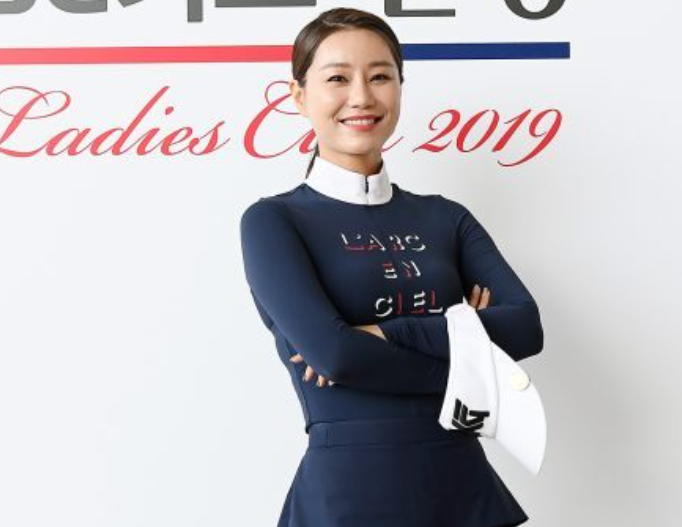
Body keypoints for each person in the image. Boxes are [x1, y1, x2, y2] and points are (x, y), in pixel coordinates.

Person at [239, 7, 544, 527]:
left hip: (462, 490)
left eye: (380, 76)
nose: (361, 96)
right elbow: (337, 356)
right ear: (299, 95)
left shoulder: (446, 217)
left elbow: (525, 327)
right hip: (348, 496)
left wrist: (383, 333)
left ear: (400, 87)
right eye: (338, 78)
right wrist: (470, 354)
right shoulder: (274, 221)